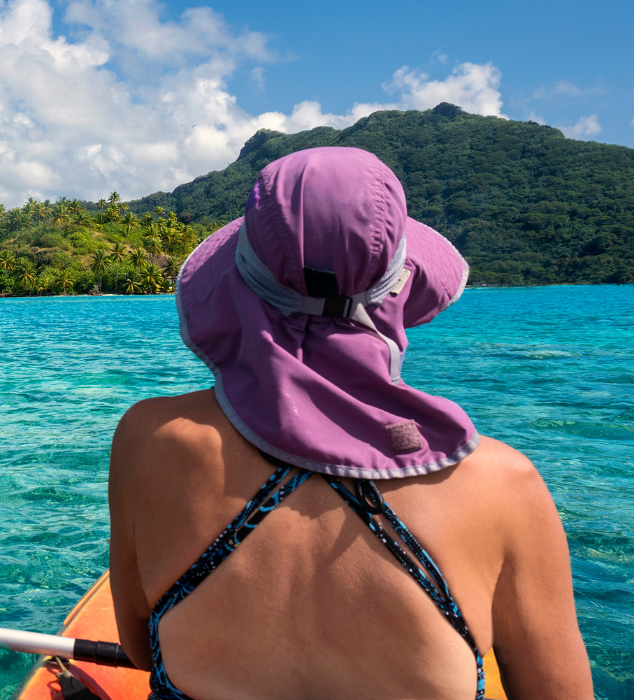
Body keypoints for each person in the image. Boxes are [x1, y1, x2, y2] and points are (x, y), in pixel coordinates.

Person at [107, 147, 592, 699]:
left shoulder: (149, 437)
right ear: (401, 286)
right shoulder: (502, 486)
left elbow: (141, 646)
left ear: (237, 285)